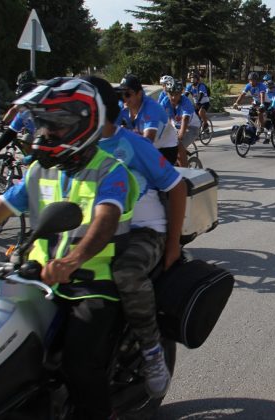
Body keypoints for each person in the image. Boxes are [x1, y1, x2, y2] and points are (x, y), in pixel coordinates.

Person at [0, 77, 138, 419]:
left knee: (79, 364)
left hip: (90, 283)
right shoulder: (41, 170)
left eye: (55, 124)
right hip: (34, 276)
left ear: (82, 125)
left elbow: (106, 220)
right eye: (42, 123)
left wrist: (72, 260)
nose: (44, 132)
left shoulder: (109, 170)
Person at [84, 75, 187, 400]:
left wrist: (172, 246)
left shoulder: (132, 144)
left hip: (144, 231)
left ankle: (151, 350)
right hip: (97, 230)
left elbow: (176, 187)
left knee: (126, 273)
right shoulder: (73, 149)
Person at [117, 74, 178, 165]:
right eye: (121, 94)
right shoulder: (122, 104)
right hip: (145, 142)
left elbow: (147, 142)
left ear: (139, 94)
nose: (124, 98)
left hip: (165, 147)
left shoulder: (151, 108)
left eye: (127, 94)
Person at [0, 78, 38, 162]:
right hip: (39, 140)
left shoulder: (42, 113)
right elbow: (9, 133)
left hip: (54, 143)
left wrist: (36, 156)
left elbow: (48, 139)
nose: (21, 105)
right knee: (26, 140)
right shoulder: (22, 114)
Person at [162, 78, 199, 166]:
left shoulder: (185, 102)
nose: (173, 97)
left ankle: (185, 174)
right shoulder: (165, 102)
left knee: (177, 147)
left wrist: (180, 136)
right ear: (167, 93)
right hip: (176, 127)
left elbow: (185, 119)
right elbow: (159, 117)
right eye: (171, 94)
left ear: (181, 94)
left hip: (192, 128)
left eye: (176, 94)